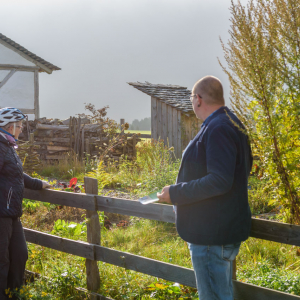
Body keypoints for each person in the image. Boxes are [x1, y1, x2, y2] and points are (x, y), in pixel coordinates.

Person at [157, 76, 252, 300]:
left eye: (192, 98)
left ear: (198, 99)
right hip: (218, 232)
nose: (192, 102)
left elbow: (220, 180)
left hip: (212, 237)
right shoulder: (230, 122)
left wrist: (176, 193)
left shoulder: (219, 128)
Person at [0, 107, 50, 299]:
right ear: (10, 127)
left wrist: (39, 184)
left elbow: (17, 174)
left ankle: (14, 293)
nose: (21, 129)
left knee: (20, 254)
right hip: (1, 213)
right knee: (2, 260)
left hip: (12, 212)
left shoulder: (8, 146)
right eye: (20, 126)